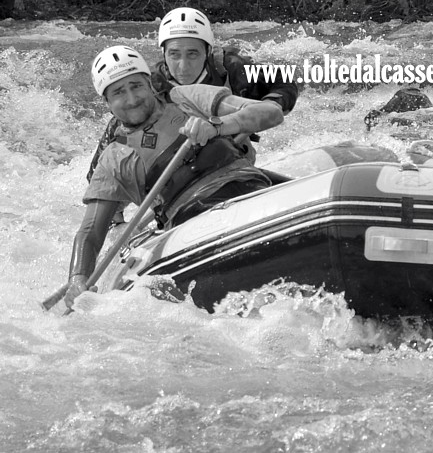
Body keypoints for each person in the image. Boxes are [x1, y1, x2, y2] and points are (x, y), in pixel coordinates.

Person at [64, 45, 285, 308]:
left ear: (149, 83)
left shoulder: (185, 98)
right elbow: (90, 232)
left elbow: (271, 113)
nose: (132, 98)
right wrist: (78, 278)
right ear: (107, 103)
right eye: (119, 92)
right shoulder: (113, 159)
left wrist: (217, 126)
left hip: (249, 189)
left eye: (136, 85)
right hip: (192, 221)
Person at [87, 7, 298, 224]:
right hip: (178, 190)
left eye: (193, 54)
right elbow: (99, 176)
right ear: (163, 54)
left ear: (207, 51)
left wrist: (263, 108)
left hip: (232, 162)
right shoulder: (148, 91)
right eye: (174, 55)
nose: (183, 66)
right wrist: (116, 222)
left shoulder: (231, 67)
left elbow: (283, 81)